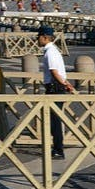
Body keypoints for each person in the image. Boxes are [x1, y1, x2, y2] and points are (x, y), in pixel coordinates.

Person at [38, 26, 72, 159]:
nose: (37, 40)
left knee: (55, 121)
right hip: (57, 86)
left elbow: (54, 71)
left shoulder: (50, 52)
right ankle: (56, 147)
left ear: (45, 37)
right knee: (53, 119)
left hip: (54, 87)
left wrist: (64, 84)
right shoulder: (53, 50)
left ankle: (58, 149)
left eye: (39, 37)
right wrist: (66, 84)